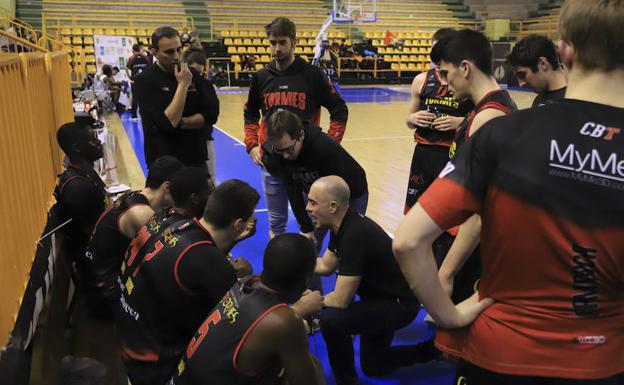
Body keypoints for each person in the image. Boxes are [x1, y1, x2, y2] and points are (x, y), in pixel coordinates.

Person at [394, 1, 624, 384]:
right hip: (605, 361)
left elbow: (407, 241)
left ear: (563, 49)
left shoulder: (504, 132)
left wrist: (449, 315)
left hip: (502, 355)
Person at [425, 28, 519, 357]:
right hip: (463, 237)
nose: (444, 83)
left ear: (465, 67)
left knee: (464, 341)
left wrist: (447, 272)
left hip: (476, 248)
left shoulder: (489, 118)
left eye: (447, 72)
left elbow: (483, 210)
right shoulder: (480, 111)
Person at [117, 179, 258, 385]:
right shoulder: (211, 264)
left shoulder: (171, 220)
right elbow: (238, 318)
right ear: (238, 224)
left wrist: (232, 241)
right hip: (158, 368)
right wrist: (245, 274)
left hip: (130, 339)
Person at [308, 176, 434, 385]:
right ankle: (433, 351)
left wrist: (308, 303)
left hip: (398, 306)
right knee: (374, 366)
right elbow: (326, 265)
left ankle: (347, 381)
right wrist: (295, 264)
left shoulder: (354, 235)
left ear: (332, 207)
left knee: (331, 320)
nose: (307, 208)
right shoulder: (342, 224)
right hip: (379, 300)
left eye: (313, 202)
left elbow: (341, 300)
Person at [169, 233, 326, 385]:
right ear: (307, 281)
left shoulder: (245, 282)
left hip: (179, 377)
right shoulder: (286, 322)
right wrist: (299, 313)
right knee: (314, 365)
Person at [244, 16, 348, 238]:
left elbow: (339, 110)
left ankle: (309, 268)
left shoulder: (312, 75)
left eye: (282, 42)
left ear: (294, 42)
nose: (277, 48)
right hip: (272, 163)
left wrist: (329, 144)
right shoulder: (261, 77)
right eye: (273, 42)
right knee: (277, 221)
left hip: (306, 167)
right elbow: (250, 113)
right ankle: (280, 264)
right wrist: (252, 145)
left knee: (311, 223)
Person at [84, 155, 183, 317]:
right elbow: (172, 253)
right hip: (106, 293)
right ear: (167, 187)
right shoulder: (141, 214)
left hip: (98, 282)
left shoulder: (134, 195)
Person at [265, 110, 367, 248]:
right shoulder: (279, 150)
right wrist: (306, 228)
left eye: (289, 150)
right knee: (311, 241)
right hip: (319, 191)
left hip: (351, 192)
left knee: (345, 240)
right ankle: (309, 267)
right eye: (280, 151)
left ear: (301, 135)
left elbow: (335, 200)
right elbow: (292, 190)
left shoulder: (323, 148)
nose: (285, 157)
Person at [404, 28, 473, 215]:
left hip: (453, 153)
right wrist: (412, 118)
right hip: (423, 152)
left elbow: (483, 118)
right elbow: (408, 121)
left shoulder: (467, 82)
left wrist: (459, 122)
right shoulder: (421, 80)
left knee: (447, 213)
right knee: (414, 211)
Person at [135, 26, 220, 171]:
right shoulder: (145, 80)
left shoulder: (193, 74)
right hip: (164, 163)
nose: (176, 56)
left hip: (195, 159)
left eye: (179, 49)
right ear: (154, 52)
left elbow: (212, 114)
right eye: (169, 52)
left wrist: (181, 122)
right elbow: (167, 123)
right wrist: (183, 85)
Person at [54, 117, 110, 277]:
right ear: (77, 147)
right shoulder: (77, 187)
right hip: (95, 268)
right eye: (92, 140)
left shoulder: (86, 171)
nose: (99, 142)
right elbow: (95, 236)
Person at [184, 48, 219, 180]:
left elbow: (212, 115)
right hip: (182, 142)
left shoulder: (207, 87)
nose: (195, 76)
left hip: (204, 139)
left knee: (210, 180)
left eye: (199, 73)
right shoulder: (178, 87)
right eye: (192, 72)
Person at [507, 34, 567, 107]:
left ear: (543, 64)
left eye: (522, 75)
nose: (521, 84)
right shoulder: (539, 100)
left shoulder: (573, 98)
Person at [127, 43, 151, 120]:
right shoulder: (146, 57)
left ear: (133, 50)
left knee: (135, 98)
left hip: (135, 81)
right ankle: (146, 115)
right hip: (145, 81)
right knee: (146, 98)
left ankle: (134, 116)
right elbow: (149, 68)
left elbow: (127, 68)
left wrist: (130, 78)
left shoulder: (131, 58)